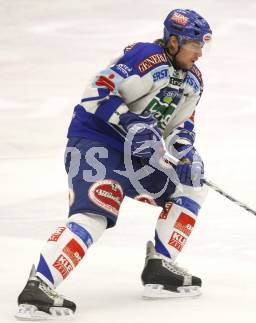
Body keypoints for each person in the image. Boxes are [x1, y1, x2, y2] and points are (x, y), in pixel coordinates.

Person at [15, 8, 212, 320]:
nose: (200, 54)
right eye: (195, 46)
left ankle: (161, 264)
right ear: (174, 41)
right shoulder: (145, 58)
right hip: (96, 142)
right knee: (95, 212)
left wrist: (183, 148)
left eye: (203, 47)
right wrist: (131, 121)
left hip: (137, 155)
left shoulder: (193, 81)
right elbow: (95, 93)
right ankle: (39, 285)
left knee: (192, 182)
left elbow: (183, 124)